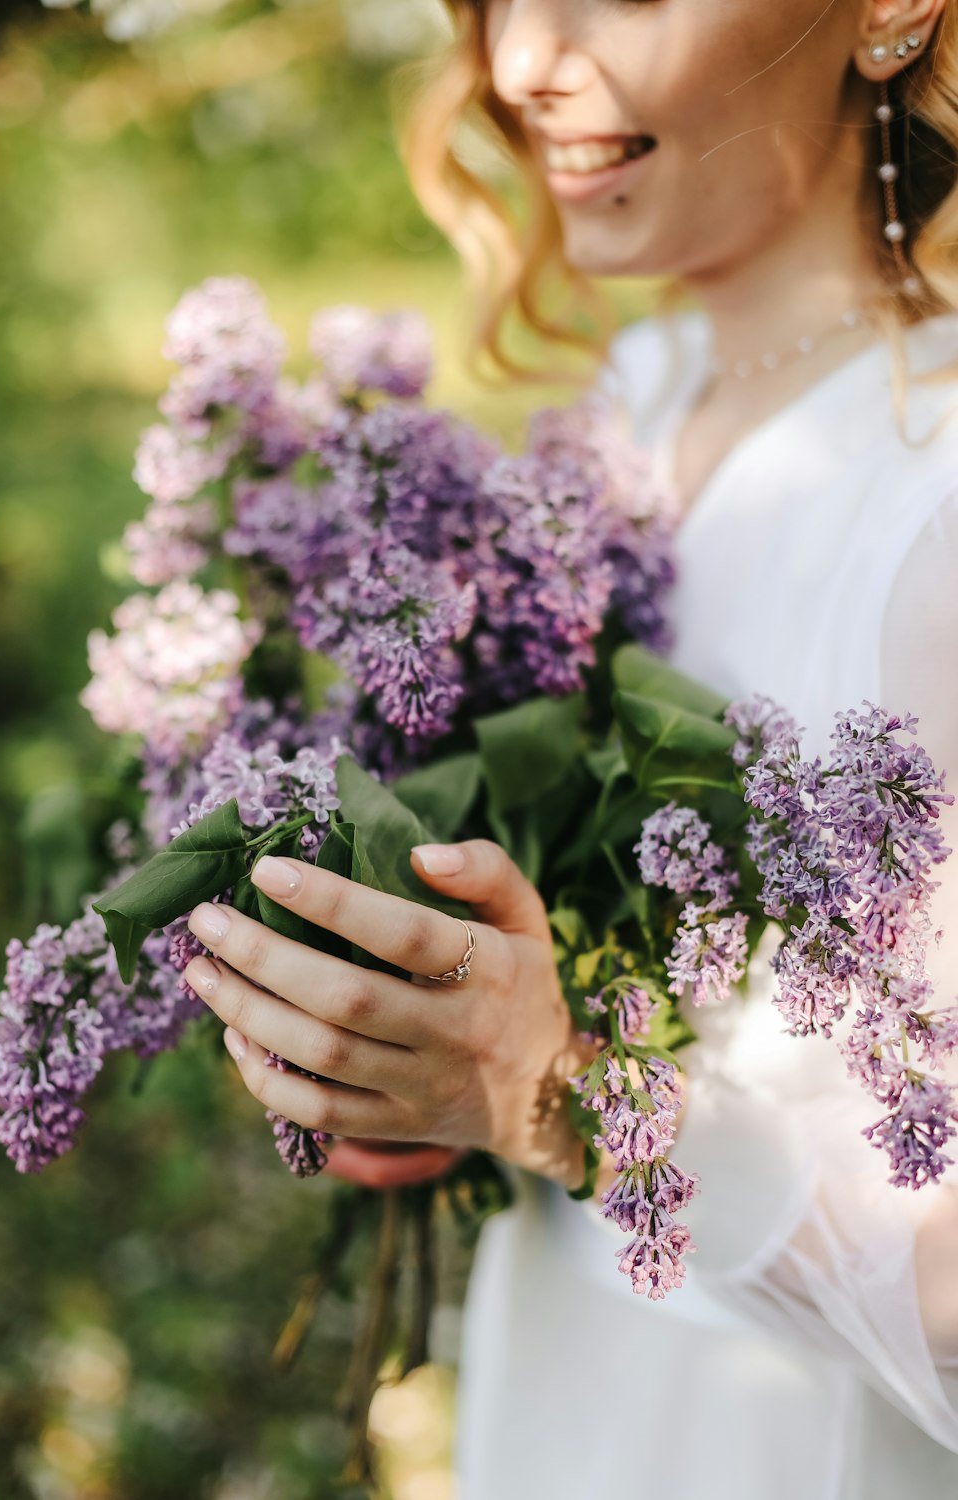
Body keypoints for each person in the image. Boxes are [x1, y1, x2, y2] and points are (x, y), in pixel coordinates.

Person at [180, 1, 958, 1494]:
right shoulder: (625, 406)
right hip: (570, 1384)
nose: (527, 59)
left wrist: (556, 1097)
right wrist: (403, 1053)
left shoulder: (934, 514)